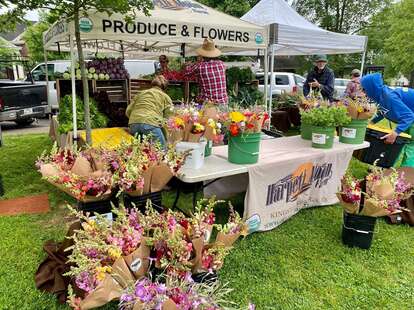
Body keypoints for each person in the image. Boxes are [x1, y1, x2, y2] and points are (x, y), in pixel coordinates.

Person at [361, 73, 414, 167]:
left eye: (364, 89)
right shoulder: (382, 95)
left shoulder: (389, 96)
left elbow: (408, 116)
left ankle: (407, 176)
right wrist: (371, 122)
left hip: (410, 119)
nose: (363, 92)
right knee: (401, 145)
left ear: (372, 88)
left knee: (411, 148)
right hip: (409, 120)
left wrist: (395, 133)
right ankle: (392, 170)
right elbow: (384, 111)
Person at [126, 75, 172, 147]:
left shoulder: (141, 93)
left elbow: (128, 111)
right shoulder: (165, 97)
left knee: (138, 150)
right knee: (161, 150)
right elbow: (168, 117)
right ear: (164, 88)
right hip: (151, 123)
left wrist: (137, 120)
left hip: (134, 124)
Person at [184, 38, 228, 104]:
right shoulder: (221, 64)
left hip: (209, 104)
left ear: (203, 54)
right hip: (223, 102)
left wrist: (188, 65)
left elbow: (186, 73)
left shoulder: (199, 66)